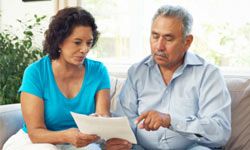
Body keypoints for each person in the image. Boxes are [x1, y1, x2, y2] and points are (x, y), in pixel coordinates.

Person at [109, 5, 231, 150]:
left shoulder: (208, 74)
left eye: (168, 38)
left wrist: (170, 120)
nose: (159, 46)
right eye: (155, 36)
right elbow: (124, 122)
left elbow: (220, 132)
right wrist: (119, 140)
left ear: (187, 42)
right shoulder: (137, 72)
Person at [3, 7, 110, 150]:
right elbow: (35, 133)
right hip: (35, 141)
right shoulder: (36, 73)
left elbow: (103, 117)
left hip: (79, 142)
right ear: (59, 41)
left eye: (89, 43)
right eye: (77, 42)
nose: (85, 49)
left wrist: (100, 122)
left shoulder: (98, 71)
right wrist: (66, 136)